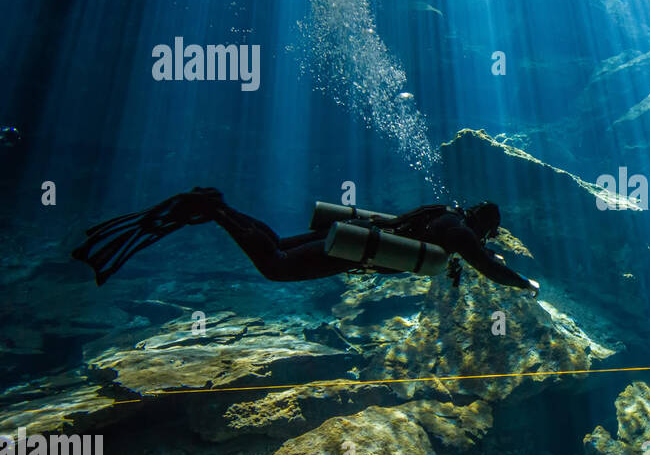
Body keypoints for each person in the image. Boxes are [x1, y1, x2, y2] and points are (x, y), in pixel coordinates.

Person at [71, 187, 539, 294]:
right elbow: (489, 266)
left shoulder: (445, 218)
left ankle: (218, 207)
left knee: (275, 244)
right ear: (483, 227)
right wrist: (526, 284)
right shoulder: (459, 233)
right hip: (348, 250)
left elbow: (453, 257)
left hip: (352, 237)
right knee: (274, 265)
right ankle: (214, 210)